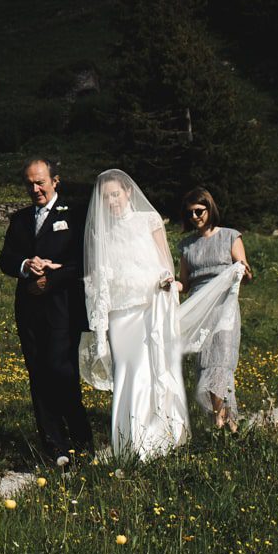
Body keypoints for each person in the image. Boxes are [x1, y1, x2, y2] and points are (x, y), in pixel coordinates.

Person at [80, 169, 190, 461]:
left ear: (128, 192)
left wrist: (168, 282)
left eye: (116, 194)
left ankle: (158, 438)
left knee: (151, 368)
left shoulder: (148, 221)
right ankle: (129, 444)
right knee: (127, 373)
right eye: (106, 197)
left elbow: (164, 261)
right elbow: (95, 277)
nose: (112, 201)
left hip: (148, 307)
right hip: (119, 314)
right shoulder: (99, 232)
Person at [0, 157, 93, 461]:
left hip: (64, 307)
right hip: (29, 308)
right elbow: (6, 259)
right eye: (30, 183)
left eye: (40, 182)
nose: (35, 188)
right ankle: (53, 447)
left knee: (62, 372)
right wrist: (26, 265)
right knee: (38, 374)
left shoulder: (76, 215)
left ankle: (82, 442)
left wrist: (51, 276)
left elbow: (84, 262)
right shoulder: (20, 219)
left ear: (55, 181)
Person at [177, 186, 251, 432]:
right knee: (204, 367)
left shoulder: (230, 236)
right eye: (190, 214)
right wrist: (165, 285)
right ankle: (222, 425)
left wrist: (242, 271)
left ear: (210, 209)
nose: (195, 217)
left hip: (224, 309)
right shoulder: (187, 246)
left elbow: (245, 270)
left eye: (199, 211)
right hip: (200, 312)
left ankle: (226, 424)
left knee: (220, 365)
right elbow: (185, 284)